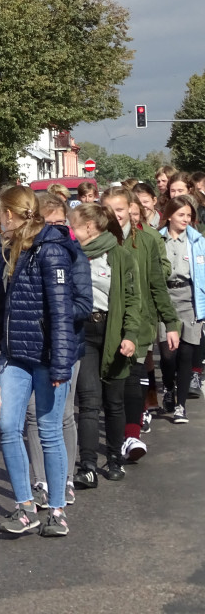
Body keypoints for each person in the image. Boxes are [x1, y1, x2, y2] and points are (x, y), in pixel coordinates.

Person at [0, 186, 78, 538]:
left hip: (47, 358)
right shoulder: (6, 249)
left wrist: (61, 365)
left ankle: (56, 510)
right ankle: (25, 507)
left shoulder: (52, 250)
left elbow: (62, 313)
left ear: (10, 214)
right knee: (9, 428)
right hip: (14, 357)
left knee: (49, 432)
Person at [101, 186, 180, 466]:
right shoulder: (96, 241)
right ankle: (117, 435)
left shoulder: (146, 240)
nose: (115, 215)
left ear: (132, 213)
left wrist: (170, 322)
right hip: (106, 324)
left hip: (140, 320)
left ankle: (131, 436)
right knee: (113, 386)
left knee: (133, 380)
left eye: (120, 209)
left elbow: (157, 284)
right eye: (110, 210)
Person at [25, 192, 91, 507]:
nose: (54, 231)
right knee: (33, 416)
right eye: (47, 224)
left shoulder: (75, 254)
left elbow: (84, 304)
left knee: (63, 415)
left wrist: (55, 309)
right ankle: (40, 482)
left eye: (59, 224)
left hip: (67, 345)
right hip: (32, 348)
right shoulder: (25, 253)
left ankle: (63, 479)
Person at [67, 203, 141, 484]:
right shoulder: (73, 256)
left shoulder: (121, 257)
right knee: (87, 401)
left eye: (73, 226)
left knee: (113, 401)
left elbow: (134, 300)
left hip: (113, 332)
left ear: (89, 227)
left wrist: (130, 335)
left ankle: (113, 459)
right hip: (83, 331)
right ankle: (87, 465)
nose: (70, 232)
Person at [156, 195, 205, 423]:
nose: (186, 219)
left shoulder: (197, 241)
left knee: (186, 353)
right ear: (169, 216)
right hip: (164, 298)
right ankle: (168, 387)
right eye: (181, 214)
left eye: (189, 215)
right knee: (168, 354)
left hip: (190, 299)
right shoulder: (157, 240)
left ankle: (180, 405)